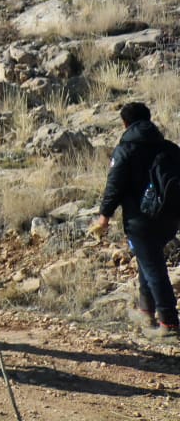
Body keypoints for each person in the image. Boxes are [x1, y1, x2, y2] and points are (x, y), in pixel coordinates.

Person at [93, 101, 180, 339]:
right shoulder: (169, 148)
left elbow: (114, 186)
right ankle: (146, 311)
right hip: (169, 218)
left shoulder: (125, 150)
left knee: (153, 267)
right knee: (147, 261)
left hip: (140, 221)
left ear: (125, 124)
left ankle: (169, 324)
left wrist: (104, 216)